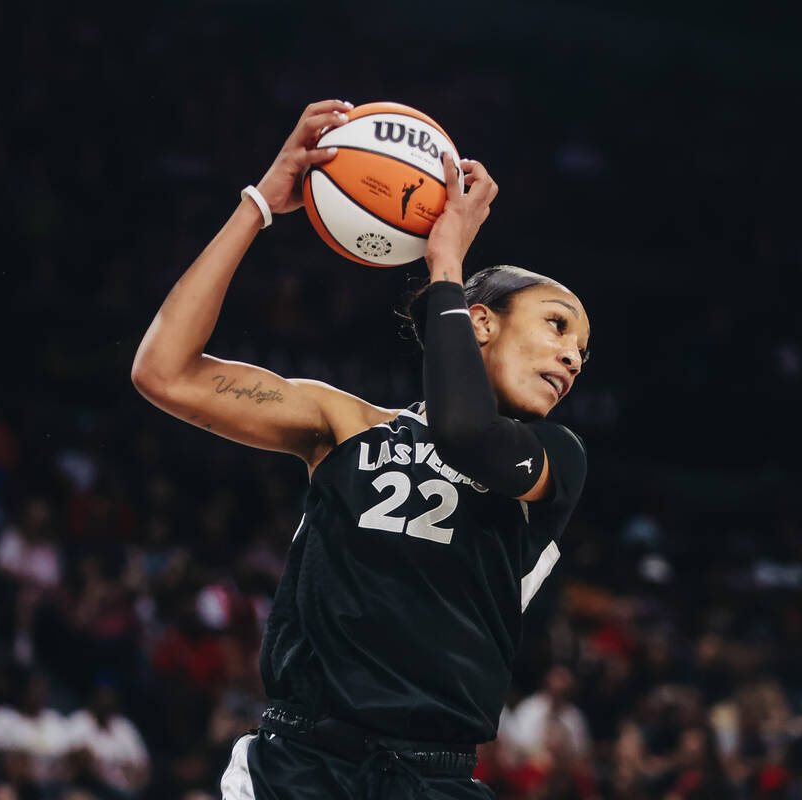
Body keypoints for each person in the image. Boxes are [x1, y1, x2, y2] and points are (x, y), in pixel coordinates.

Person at [131, 100, 590, 799]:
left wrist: (445, 260)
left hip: (434, 776)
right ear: (479, 324)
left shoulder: (553, 458)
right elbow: (163, 371)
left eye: (582, 349)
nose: (572, 356)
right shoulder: (346, 423)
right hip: (299, 763)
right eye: (557, 326)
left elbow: (465, 434)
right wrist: (259, 201)